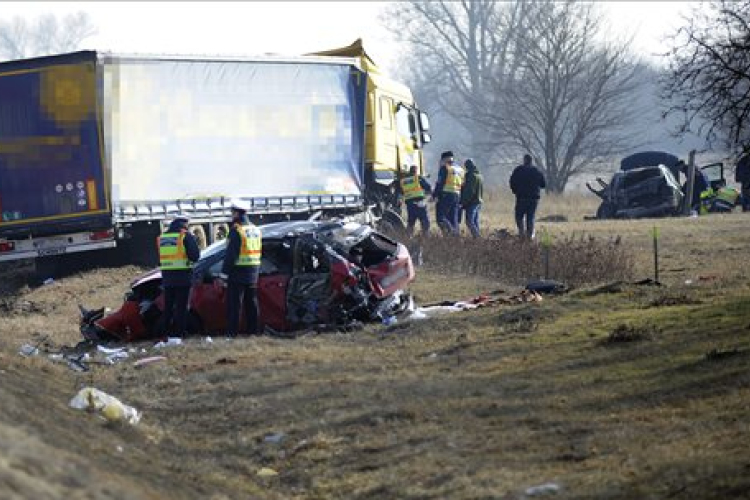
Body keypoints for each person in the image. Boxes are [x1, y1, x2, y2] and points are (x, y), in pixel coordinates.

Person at [218, 199, 262, 337]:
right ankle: (253, 332)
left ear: (236, 213)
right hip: (253, 273)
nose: (231, 215)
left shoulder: (237, 230)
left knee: (235, 306)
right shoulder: (255, 229)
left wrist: (223, 276)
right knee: (252, 305)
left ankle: (232, 335)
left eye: (232, 212)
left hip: (238, 273)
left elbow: (231, 256)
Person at [157, 214, 201, 338]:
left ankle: (166, 333)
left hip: (167, 278)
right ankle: (179, 334)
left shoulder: (163, 237)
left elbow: (161, 258)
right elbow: (195, 256)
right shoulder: (185, 236)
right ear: (185, 223)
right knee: (182, 308)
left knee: (168, 307)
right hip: (183, 278)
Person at [509, 154, 546, 239]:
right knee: (530, 217)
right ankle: (530, 236)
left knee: (519, 216)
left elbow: (512, 182)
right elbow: (543, 184)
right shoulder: (537, 171)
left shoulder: (518, 170)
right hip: (534, 199)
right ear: (531, 161)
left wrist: (515, 191)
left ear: (524, 160)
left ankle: (521, 233)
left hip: (522, 197)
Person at [432, 151, 464, 235]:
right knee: (453, 219)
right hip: (457, 195)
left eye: (442, 160)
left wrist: (434, 195)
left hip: (446, 195)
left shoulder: (445, 168)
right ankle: (455, 238)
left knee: (441, 217)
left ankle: (451, 233)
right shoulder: (460, 169)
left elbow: (440, 183)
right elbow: (463, 184)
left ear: (445, 159)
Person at [397, 164, 433, 237]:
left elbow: (400, 192)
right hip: (420, 203)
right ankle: (426, 237)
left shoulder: (403, 181)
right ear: (416, 172)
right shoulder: (418, 178)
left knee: (411, 222)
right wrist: (427, 193)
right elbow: (428, 187)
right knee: (424, 221)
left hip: (410, 204)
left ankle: (408, 237)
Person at [460, 158, 484, 238]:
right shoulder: (479, 176)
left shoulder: (471, 176)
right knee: (475, 221)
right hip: (478, 202)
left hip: (472, 203)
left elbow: (470, 191)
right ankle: (476, 239)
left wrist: (463, 202)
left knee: (469, 221)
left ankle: (478, 238)